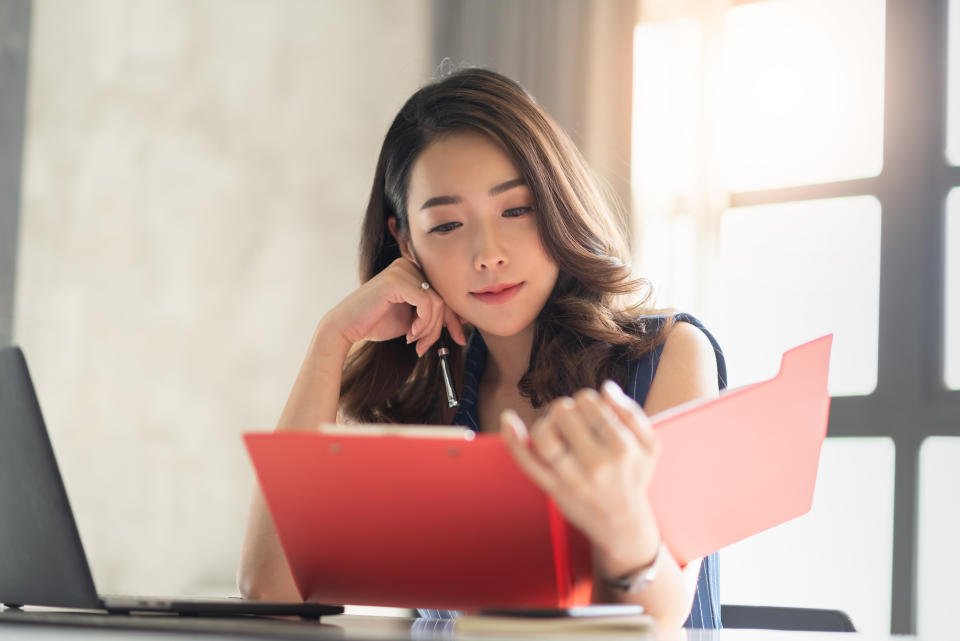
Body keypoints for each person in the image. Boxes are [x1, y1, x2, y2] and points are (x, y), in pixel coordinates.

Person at [237, 66, 727, 630]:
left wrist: (621, 517)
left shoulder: (667, 356)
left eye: (515, 210)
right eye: (447, 225)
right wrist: (331, 341)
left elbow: (664, 618)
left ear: (556, 203)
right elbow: (269, 589)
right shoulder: (424, 394)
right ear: (404, 241)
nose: (488, 253)